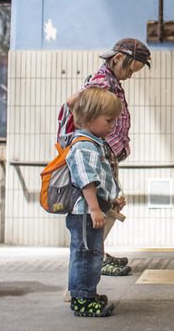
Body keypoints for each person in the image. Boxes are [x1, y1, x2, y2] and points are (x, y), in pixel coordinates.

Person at [59, 38, 152, 279]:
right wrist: (97, 140)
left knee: (109, 202)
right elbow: (72, 102)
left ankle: (96, 253)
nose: (130, 76)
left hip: (105, 150)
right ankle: (93, 258)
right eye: (130, 69)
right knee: (102, 208)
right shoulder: (102, 82)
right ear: (118, 59)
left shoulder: (108, 81)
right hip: (102, 152)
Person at [65, 87, 125, 317]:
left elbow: (102, 179)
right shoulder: (83, 146)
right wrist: (94, 208)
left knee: (92, 254)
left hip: (92, 210)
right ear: (89, 118)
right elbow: (86, 181)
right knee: (85, 253)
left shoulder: (94, 143)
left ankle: (88, 292)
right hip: (85, 213)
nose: (112, 126)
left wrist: (111, 202)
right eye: (109, 120)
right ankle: (82, 298)